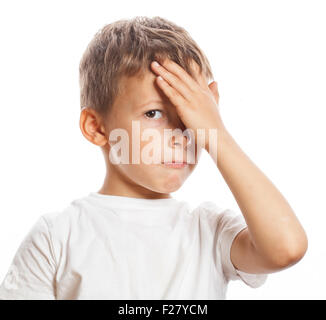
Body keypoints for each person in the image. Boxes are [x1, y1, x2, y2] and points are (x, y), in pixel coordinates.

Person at [0, 16, 308, 300]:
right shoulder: (58, 236)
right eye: (154, 113)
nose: (181, 134)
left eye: (191, 116)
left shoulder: (210, 231)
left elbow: (287, 248)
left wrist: (217, 134)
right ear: (96, 127)